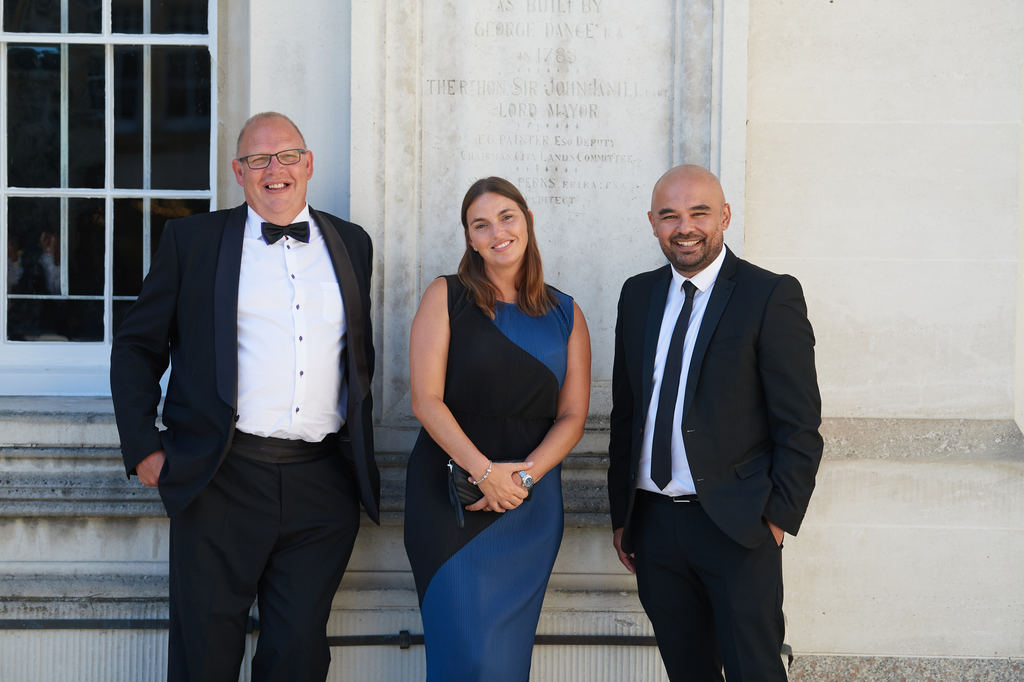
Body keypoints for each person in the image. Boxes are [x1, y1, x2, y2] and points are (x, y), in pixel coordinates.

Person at [110, 111, 378, 682]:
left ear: (308, 164)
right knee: (205, 655)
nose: (274, 170)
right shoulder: (193, 241)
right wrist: (143, 445)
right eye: (258, 159)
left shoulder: (352, 243)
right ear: (239, 171)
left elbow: (358, 357)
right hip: (220, 477)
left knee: (299, 654)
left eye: (286, 156)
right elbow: (136, 345)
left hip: (322, 484)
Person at [607, 165, 823, 681]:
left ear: (724, 216)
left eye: (699, 213)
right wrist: (622, 516)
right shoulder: (637, 295)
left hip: (738, 527)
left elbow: (799, 424)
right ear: (653, 223)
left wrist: (775, 522)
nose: (685, 227)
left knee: (755, 672)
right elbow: (627, 413)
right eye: (669, 216)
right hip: (654, 525)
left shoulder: (768, 295)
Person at [404, 177, 591, 681]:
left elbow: (573, 416)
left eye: (507, 217)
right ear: (469, 238)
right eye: (480, 224)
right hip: (451, 500)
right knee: (464, 656)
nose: (497, 232)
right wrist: (485, 473)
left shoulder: (566, 312)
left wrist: (521, 479)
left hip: (529, 505)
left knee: (504, 664)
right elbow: (425, 400)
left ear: (527, 220)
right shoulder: (446, 295)